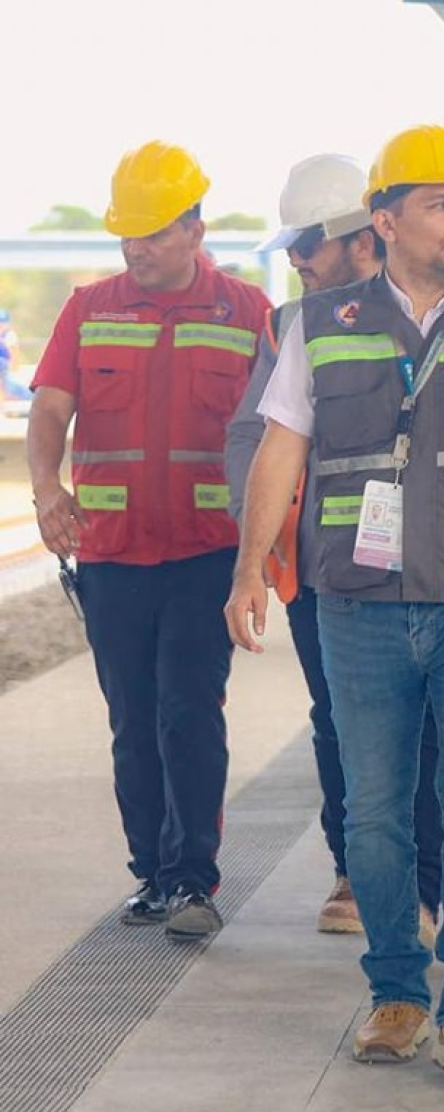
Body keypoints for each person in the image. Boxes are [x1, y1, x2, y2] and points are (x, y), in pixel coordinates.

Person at [225, 124, 444, 1087]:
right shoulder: (319, 325)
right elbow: (280, 448)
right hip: (358, 606)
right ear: (386, 221)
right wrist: (251, 565)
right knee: (374, 815)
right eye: (442, 204)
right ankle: (394, 994)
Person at [27, 140, 269, 939]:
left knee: (187, 712)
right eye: (127, 234)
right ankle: (153, 874)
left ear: (196, 227)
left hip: (206, 554)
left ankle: (193, 878)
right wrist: (47, 488)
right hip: (111, 555)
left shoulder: (247, 312)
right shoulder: (90, 307)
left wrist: (265, 551)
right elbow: (51, 410)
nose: (137, 248)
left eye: (154, 233)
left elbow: (279, 432)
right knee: (132, 717)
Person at [225, 153, 443, 942]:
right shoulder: (292, 324)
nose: (293, 260)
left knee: (429, 724)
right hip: (326, 568)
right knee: (340, 720)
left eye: (306, 243)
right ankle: (355, 869)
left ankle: (424, 879)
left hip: (435, 565)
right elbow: (251, 433)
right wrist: (254, 542)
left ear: (360, 240)